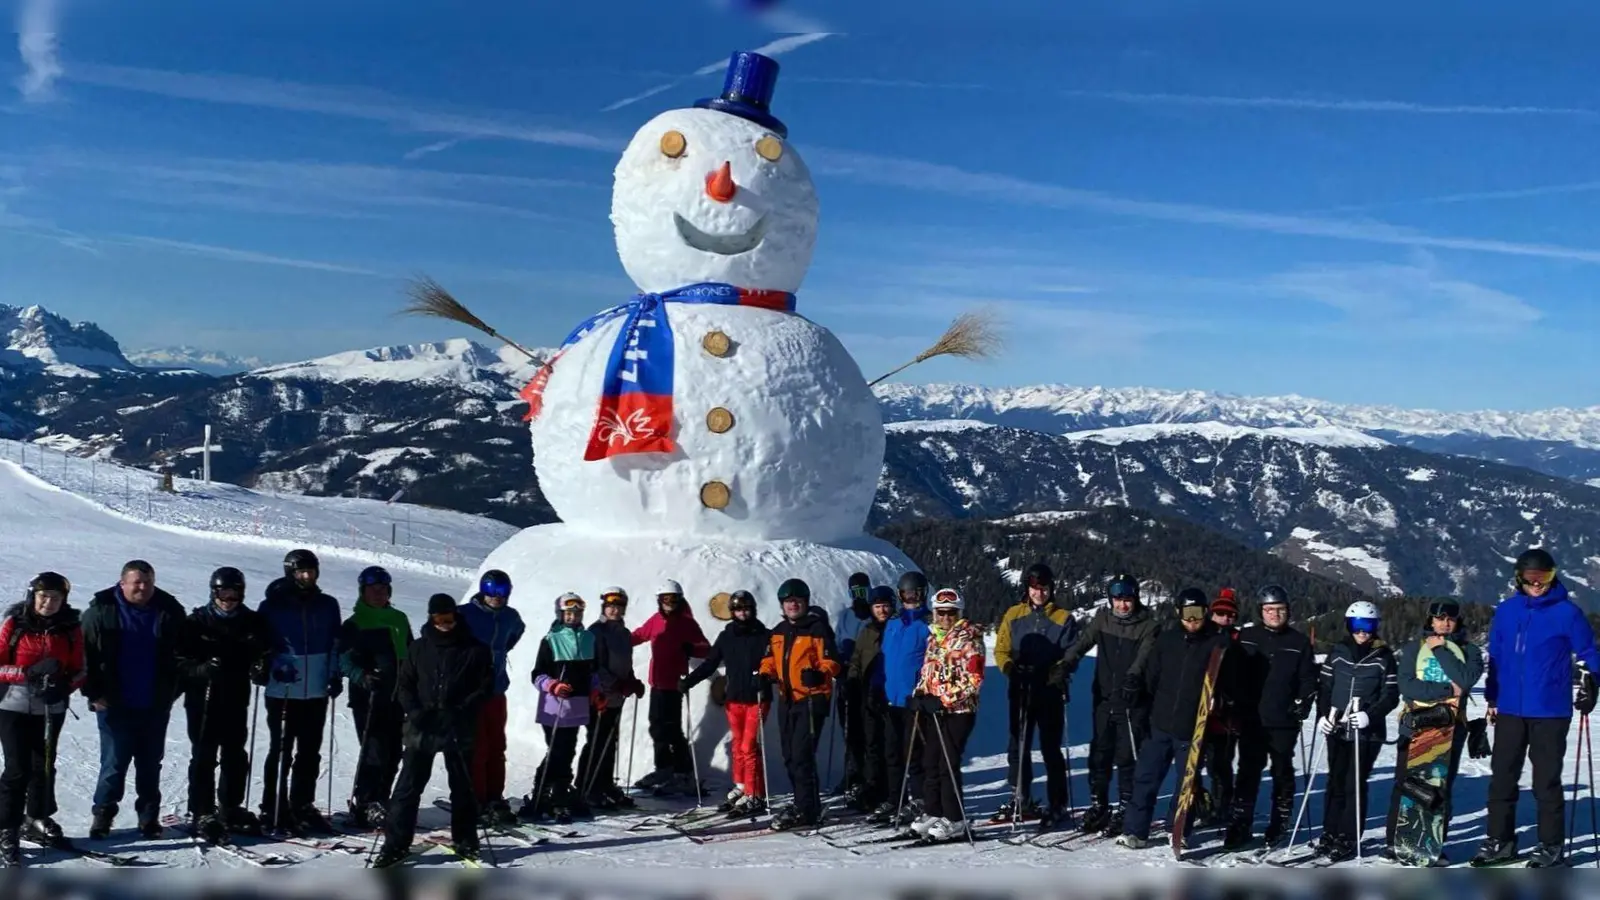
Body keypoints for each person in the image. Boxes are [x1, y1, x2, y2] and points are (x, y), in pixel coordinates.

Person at [1475, 548, 1600, 868]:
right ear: (1519, 578)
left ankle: (1550, 845)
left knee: (1545, 781)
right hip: (1510, 709)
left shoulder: (1567, 613)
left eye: (1543, 577)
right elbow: (1497, 656)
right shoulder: (1507, 611)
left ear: (1553, 576)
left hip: (1550, 710)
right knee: (1502, 777)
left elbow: (1589, 651)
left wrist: (1593, 681)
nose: (1537, 584)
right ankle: (1500, 841)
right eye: (1531, 578)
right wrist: (1492, 697)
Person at [372, 594, 493, 868]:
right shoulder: (418, 648)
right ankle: (395, 845)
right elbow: (405, 685)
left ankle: (466, 840)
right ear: (431, 618)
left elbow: (484, 687)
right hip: (423, 725)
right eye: (439, 618)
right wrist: (415, 712)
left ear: (456, 616)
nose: (444, 623)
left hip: (457, 725)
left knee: (463, 787)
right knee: (407, 787)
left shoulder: (475, 649)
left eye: (448, 617)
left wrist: (460, 711)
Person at [1116, 588, 1230, 850]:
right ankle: (1135, 831)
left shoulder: (1217, 644)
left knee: (1187, 784)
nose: (1192, 619)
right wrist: (1140, 705)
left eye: (1197, 613)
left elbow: (1230, 683)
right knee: (1145, 778)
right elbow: (1151, 679)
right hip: (1160, 723)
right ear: (1178, 613)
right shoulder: (1167, 640)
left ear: (1206, 612)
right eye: (1187, 613)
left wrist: (1221, 700)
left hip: (1193, 729)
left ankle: (1177, 829)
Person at [82, 559, 187, 839]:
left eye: (147, 582)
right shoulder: (101, 611)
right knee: (114, 763)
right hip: (113, 703)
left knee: (150, 764)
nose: (142, 587)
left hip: (154, 703)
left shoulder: (169, 611)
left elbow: (183, 656)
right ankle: (103, 815)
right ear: (122, 583)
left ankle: (148, 818)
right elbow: (84, 655)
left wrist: (172, 691)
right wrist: (93, 693)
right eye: (136, 582)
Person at [177, 567, 273, 843]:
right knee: (204, 755)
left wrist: (261, 668)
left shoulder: (252, 622)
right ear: (213, 593)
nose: (228, 601)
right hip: (203, 699)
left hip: (236, 696)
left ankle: (230, 806)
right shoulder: (197, 622)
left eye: (234, 595)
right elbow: (179, 661)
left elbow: (264, 651)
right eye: (223, 594)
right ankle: (202, 810)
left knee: (235, 755)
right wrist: (202, 669)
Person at [1384, 598, 1483, 866]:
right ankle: (1395, 841)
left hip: (1451, 726)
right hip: (1417, 722)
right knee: (1406, 782)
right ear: (1430, 620)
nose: (1445, 623)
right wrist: (1447, 690)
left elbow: (1466, 679)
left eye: (1450, 619)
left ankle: (1433, 843)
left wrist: (1440, 650)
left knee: (1440, 785)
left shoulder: (1470, 651)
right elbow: (1408, 686)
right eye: (1439, 619)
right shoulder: (1414, 648)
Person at [1059, 572, 1158, 837]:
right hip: (1103, 699)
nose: (1122, 605)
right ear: (1110, 599)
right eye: (1118, 599)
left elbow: (1144, 657)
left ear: (1135, 599)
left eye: (1128, 600)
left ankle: (1126, 808)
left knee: (1126, 756)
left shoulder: (1148, 625)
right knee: (1099, 754)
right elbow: (1082, 642)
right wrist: (1066, 664)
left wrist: (1133, 679)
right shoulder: (1102, 619)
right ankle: (1099, 805)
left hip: (1131, 701)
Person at [256, 548, 343, 835]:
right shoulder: (273, 605)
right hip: (284, 687)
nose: (307, 576)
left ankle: (302, 804)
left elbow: (335, 642)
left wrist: (334, 674)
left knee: (310, 752)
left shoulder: (328, 605)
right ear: (290, 573)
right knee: (281, 750)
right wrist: (263, 665)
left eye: (311, 571)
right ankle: (274, 807)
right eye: (301, 572)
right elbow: (260, 642)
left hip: (316, 688)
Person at [0, 573, 85, 864]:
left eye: (56, 598)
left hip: (50, 708)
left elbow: (80, 668)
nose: (49, 603)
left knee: (44, 766)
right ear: (32, 596)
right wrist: (27, 674)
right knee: (16, 769)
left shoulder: (70, 629)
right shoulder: (15, 625)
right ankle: (7, 827)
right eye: (43, 596)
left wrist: (64, 686)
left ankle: (36, 817)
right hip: (12, 706)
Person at [1225, 584, 1316, 849]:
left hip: (1284, 719)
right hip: (1252, 717)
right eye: (1269, 609)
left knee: (1281, 770)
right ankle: (1240, 823)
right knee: (1248, 771)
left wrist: (1304, 702)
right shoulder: (1247, 637)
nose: (1275, 614)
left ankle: (1280, 820)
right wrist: (1231, 699)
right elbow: (1232, 672)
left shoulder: (1298, 642)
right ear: (1261, 611)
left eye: (1280, 609)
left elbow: (1308, 678)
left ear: (1288, 611)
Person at [1312, 599, 1398, 863]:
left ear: (1375, 627)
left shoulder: (1384, 657)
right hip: (1337, 727)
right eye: (1357, 625)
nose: (1362, 631)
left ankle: (1348, 837)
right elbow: (1325, 688)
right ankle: (1330, 832)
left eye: (1368, 625)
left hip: (1367, 732)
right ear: (1349, 626)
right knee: (1335, 781)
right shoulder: (1338, 652)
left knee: (1354, 783)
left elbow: (1391, 695)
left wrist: (1369, 715)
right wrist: (1323, 716)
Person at [992, 562, 1077, 826]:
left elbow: (1071, 654)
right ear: (1027, 588)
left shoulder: (1063, 618)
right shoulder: (1014, 614)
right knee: (1018, 746)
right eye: (1034, 588)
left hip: (1049, 690)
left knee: (1051, 748)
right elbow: (1001, 650)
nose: (1039, 593)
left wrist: (1058, 672)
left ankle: (1057, 803)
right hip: (1020, 688)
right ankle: (1021, 796)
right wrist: (1010, 669)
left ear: (1052, 589)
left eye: (1044, 588)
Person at [758, 578, 840, 830]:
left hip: (812, 699)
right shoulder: (779, 631)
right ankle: (804, 802)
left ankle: (807, 809)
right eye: (788, 602)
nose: (793, 605)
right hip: (788, 699)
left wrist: (820, 674)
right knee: (790, 756)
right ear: (782, 605)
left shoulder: (817, 629)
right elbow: (770, 659)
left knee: (803, 755)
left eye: (798, 601)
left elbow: (832, 661)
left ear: (806, 603)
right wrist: (764, 674)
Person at [682, 589, 772, 818]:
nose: (743, 613)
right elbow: (710, 663)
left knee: (749, 747)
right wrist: (689, 681)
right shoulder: (727, 636)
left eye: (746, 608)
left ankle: (755, 794)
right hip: (734, 699)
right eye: (738, 609)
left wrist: (766, 678)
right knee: (738, 745)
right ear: (732, 612)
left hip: (757, 699)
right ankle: (741, 786)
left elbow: (775, 664)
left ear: (753, 610)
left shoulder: (765, 636)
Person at [337, 566, 412, 829]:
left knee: (393, 752)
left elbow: (409, 654)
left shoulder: (399, 619)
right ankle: (365, 802)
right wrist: (362, 676)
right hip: (368, 699)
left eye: (383, 589)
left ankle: (381, 800)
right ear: (363, 592)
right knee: (374, 752)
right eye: (373, 590)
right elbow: (343, 660)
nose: (378, 594)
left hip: (396, 697)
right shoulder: (355, 624)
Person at [909, 588, 985, 843]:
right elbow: (927, 672)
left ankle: (955, 818)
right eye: (940, 613)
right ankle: (934, 811)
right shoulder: (934, 638)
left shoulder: (970, 639)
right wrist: (920, 693)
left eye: (950, 613)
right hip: (934, 710)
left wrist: (943, 699)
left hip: (959, 711)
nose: (945, 618)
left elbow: (974, 680)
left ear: (959, 613)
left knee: (947, 764)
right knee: (930, 761)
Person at [522, 593, 601, 823]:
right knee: (557, 751)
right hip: (554, 708)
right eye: (568, 613)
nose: (572, 617)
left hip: (577, 707)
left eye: (576, 613)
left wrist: (596, 691)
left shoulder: (589, 639)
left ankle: (560, 795)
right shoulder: (551, 639)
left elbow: (593, 671)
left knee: (568, 751)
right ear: (560, 614)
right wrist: (553, 685)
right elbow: (537, 674)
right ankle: (542, 792)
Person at [456, 569, 525, 824]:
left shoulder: (510, 617)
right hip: (472, 693)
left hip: (496, 691)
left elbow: (515, 635)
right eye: (491, 591)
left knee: (497, 746)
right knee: (478, 747)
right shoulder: (465, 614)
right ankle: (477, 798)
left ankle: (495, 797)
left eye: (503, 591)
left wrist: (498, 656)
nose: (497, 596)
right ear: (482, 591)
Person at [630, 580, 709, 796]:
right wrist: (617, 641)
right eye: (665, 598)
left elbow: (705, 648)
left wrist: (691, 648)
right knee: (656, 727)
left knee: (672, 729)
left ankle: (684, 773)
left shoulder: (687, 623)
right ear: (659, 600)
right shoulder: (656, 620)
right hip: (657, 683)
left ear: (680, 600)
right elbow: (640, 634)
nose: (669, 603)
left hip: (675, 684)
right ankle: (664, 768)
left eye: (673, 599)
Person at [867, 571, 932, 827]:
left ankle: (920, 801)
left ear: (923, 594)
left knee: (914, 755)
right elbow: (884, 659)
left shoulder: (927, 624)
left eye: (915, 594)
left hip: (913, 700)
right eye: (906, 594)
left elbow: (932, 662)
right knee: (892, 753)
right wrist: (876, 687)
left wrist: (924, 692)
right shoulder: (893, 624)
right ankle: (896, 799)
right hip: (890, 699)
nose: (910, 599)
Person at [578, 587, 643, 811]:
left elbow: (625, 663)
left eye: (618, 607)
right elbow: (594, 665)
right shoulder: (596, 632)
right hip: (599, 696)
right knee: (597, 740)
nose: (614, 610)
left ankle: (604, 784)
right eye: (610, 606)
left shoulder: (624, 633)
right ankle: (587, 786)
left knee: (609, 741)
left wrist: (632, 681)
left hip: (616, 696)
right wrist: (614, 684)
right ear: (604, 607)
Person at [844, 586, 895, 814]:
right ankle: (874, 791)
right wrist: (852, 680)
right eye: (877, 606)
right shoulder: (867, 631)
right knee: (871, 744)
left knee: (891, 747)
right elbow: (857, 659)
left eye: (886, 606)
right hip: (868, 695)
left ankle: (893, 793)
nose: (882, 610)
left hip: (892, 696)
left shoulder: (897, 629)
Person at [1200, 588, 1242, 827]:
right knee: (1191, 764)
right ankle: (1198, 803)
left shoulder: (1238, 641)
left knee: (1219, 764)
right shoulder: (1202, 635)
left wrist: (1228, 700)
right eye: (1220, 614)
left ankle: (1221, 806)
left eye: (1230, 615)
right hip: (1198, 714)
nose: (1225, 618)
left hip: (1225, 718)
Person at [834, 572, 872, 801]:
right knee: (849, 728)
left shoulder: (874, 616)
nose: (859, 596)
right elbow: (838, 642)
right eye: (855, 592)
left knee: (869, 729)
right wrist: (839, 663)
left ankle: (870, 775)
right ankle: (852, 773)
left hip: (868, 681)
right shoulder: (845, 616)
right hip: (848, 680)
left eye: (863, 591)